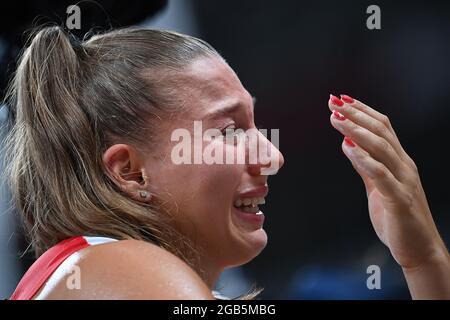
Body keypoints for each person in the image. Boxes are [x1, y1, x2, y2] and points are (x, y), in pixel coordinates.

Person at [3, 26, 449, 300]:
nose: (272, 156)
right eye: (230, 131)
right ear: (130, 172)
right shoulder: (122, 264)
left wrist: (421, 258)